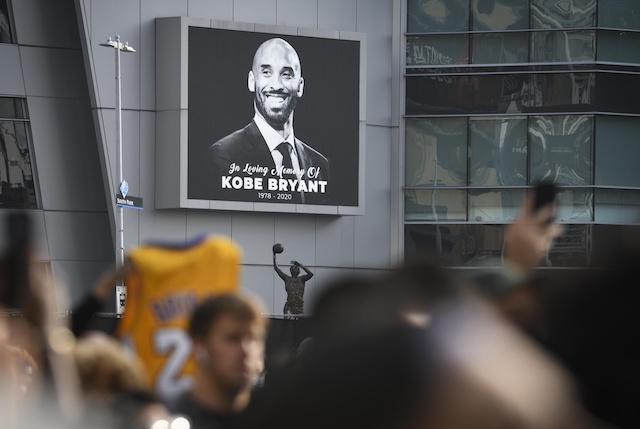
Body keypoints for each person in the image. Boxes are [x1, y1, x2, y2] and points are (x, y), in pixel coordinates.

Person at [208, 37, 331, 204]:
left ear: (300, 86)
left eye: (286, 74)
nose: (276, 85)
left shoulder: (320, 165)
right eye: (266, 72)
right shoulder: (223, 155)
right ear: (252, 81)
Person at [167, 292, 268, 429]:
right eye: (232, 338)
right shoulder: (168, 421)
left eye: (254, 338)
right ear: (199, 345)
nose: (246, 351)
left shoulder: (284, 418)